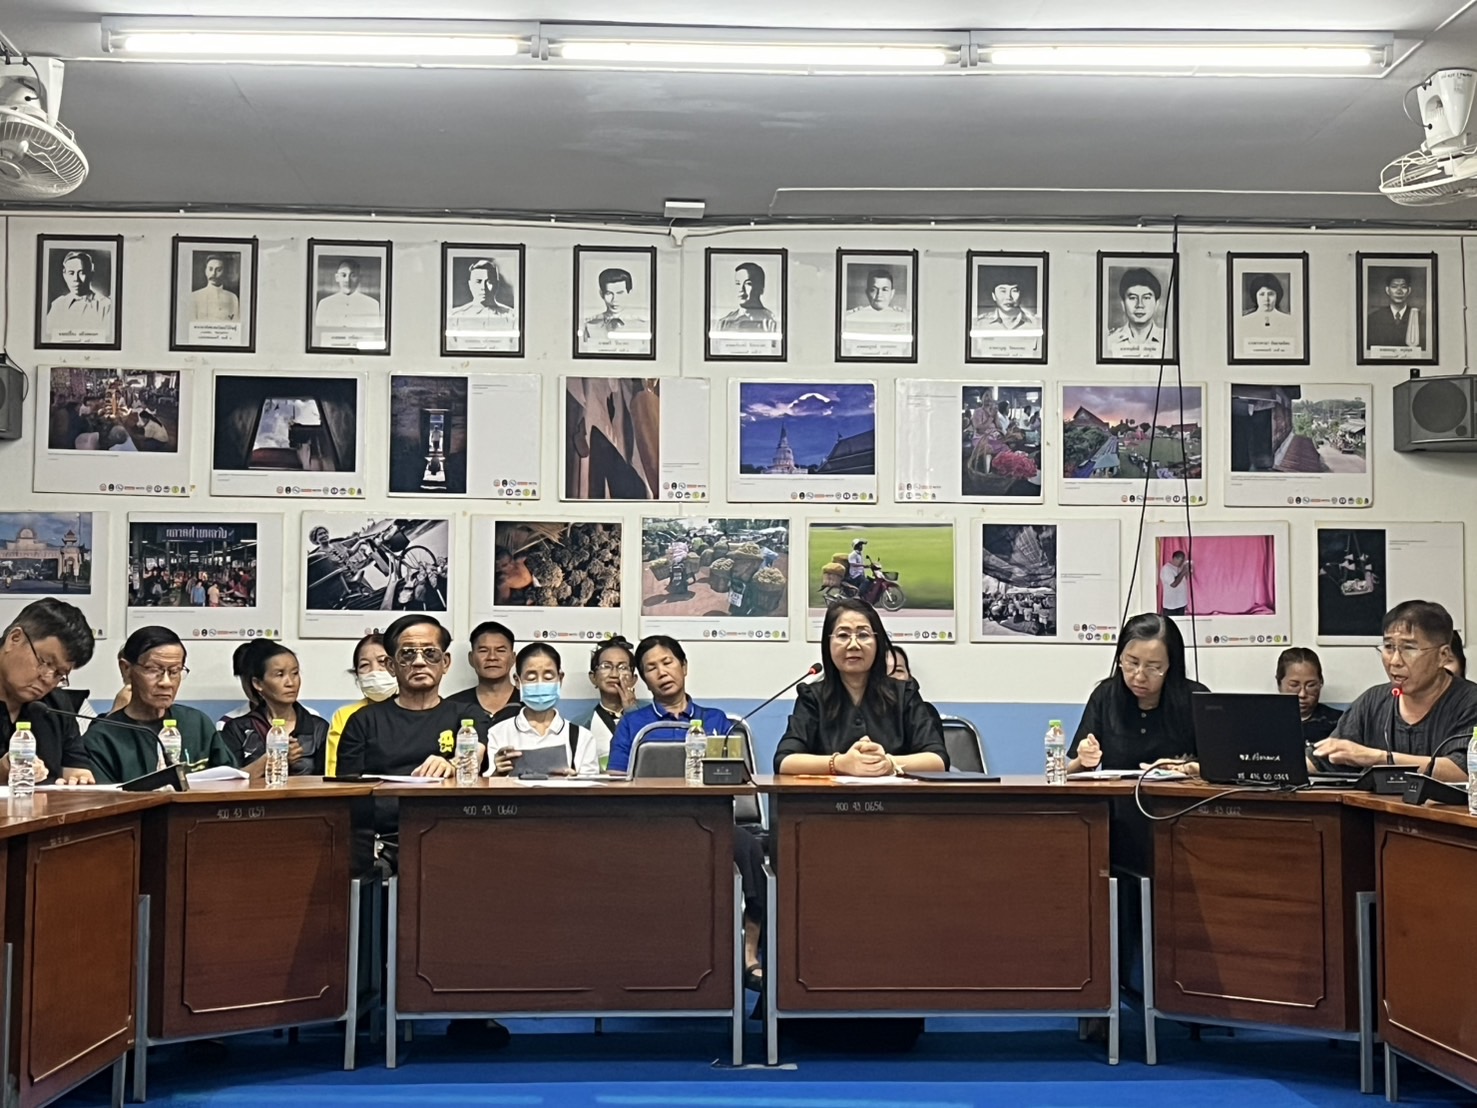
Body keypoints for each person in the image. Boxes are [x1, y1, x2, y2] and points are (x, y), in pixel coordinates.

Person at [1310, 600, 1477, 783]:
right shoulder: (1373, 701)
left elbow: (1465, 770)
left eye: (1409, 648)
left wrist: (1377, 758)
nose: (1395, 661)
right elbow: (1325, 759)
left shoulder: (1470, 702)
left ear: (1442, 655)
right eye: (1389, 647)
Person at [775, 599, 946, 776]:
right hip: (831, 794)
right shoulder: (812, 697)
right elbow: (784, 761)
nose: (853, 645)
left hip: (894, 794)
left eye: (863, 635)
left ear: (878, 642)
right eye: (843, 635)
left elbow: (938, 760)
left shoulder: (905, 694)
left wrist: (889, 763)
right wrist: (839, 763)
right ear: (828, 643)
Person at [336, 614, 492, 781]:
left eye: (430, 653)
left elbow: (475, 755)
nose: (419, 662)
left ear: (445, 663)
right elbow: (348, 786)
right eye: (407, 654)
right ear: (391, 666)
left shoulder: (468, 715)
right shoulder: (363, 721)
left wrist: (452, 765)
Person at [85, 627, 239, 783]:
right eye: (154, 670)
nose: (166, 683)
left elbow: (232, 779)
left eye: (174, 671)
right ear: (126, 669)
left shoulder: (197, 724)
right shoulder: (102, 738)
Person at [1068, 613, 1208, 773]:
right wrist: (1083, 758)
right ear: (1120, 657)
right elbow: (1070, 773)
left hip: (1179, 790)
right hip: (1116, 791)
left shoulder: (1197, 700)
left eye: (1153, 667)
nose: (1140, 676)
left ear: (1171, 665)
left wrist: (1189, 769)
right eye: (1132, 663)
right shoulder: (1106, 695)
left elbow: (1223, 769)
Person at [0, 599, 98, 785]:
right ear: (15, 639)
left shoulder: (56, 706)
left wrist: (79, 782)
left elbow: (75, 767)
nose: (47, 678)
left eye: (59, 674)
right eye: (45, 662)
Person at [487, 644, 599, 777]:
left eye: (548, 677)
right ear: (517, 681)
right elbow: (488, 786)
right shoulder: (498, 733)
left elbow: (591, 786)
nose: (540, 684)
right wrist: (497, 773)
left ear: (560, 678)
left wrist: (573, 782)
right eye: (531, 677)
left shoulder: (582, 737)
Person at [221, 643, 327, 774]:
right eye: (280, 675)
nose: (290, 683)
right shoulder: (237, 729)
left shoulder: (318, 728)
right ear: (258, 684)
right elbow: (229, 780)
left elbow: (327, 779)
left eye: (295, 673)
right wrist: (273, 759)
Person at [571, 636, 645, 770]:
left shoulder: (652, 713)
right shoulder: (580, 725)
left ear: (633, 679)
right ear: (593, 677)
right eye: (606, 666)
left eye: (623, 667)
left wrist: (632, 711)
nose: (614, 674)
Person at [325, 633, 394, 777]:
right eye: (364, 665)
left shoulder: (417, 709)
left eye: (382, 662)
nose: (374, 671)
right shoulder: (345, 715)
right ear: (357, 675)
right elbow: (334, 773)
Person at [447, 621, 520, 719]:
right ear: (471, 658)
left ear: (513, 658)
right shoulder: (453, 706)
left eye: (500, 651)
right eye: (483, 651)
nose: (492, 657)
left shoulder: (528, 704)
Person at [1275, 646, 1342, 745]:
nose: (1302, 694)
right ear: (1279, 683)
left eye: (1311, 685)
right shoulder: (1263, 721)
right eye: (1294, 685)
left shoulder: (1339, 722)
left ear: (1321, 683)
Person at [46, 250, 114, 339]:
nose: (76, 279)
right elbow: (48, 338)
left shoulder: (106, 305)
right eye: (71, 273)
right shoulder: (58, 305)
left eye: (82, 273)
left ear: (91, 274)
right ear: (64, 275)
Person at [1104, 267, 1165, 357]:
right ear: (1123, 304)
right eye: (1133, 298)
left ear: (1157, 304)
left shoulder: (1168, 341)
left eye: (1146, 298)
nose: (1140, 305)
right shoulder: (1109, 342)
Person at [313, 258, 382, 331]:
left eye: (353, 275)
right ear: (337, 277)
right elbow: (318, 332)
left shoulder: (372, 305)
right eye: (343, 275)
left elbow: (373, 333)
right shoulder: (324, 304)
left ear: (359, 278)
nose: (347, 280)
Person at [973, 270, 1040, 341]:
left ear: (1021, 295)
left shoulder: (1036, 323)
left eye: (1014, 291)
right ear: (993, 296)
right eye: (1003, 291)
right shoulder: (980, 323)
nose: (1008, 297)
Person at [582, 267, 644, 343]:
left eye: (620, 293)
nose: (615, 299)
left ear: (629, 293)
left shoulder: (643, 326)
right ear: (601, 294)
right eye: (609, 293)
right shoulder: (589, 326)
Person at [1366, 269, 1425, 348]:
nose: (1399, 291)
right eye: (1394, 287)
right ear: (1387, 290)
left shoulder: (1420, 317)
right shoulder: (1374, 318)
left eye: (1403, 287)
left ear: (1409, 291)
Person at [448, 259, 516, 326]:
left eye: (489, 282)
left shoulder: (512, 316)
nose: (483, 287)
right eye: (478, 282)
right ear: (470, 285)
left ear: (497, 284)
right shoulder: (456, 317)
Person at [717, 262, 779, 332]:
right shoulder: (724, 323)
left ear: (761, 289)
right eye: (737, 283)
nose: (741, 289)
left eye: (748, 283)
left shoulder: (771, 323)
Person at [843, 268, 909, 332]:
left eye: (885, 289)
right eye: (873, 290)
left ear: (892, 293)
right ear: (867, 292)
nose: (879, 294)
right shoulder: (851, 318)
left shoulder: (904, 318)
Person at [1240, 273, 1297, 339]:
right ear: (1255, 296)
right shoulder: (1245, 320)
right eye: (1262, 294)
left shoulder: (1288, 320)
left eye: (1270, 294)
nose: (1266, 299)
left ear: (1277, 296)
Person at [190, 254, 240, 322]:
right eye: (210, 269)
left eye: (218, 270)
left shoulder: (233, 298)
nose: (213, 273)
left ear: (224, 272)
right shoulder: (194, 297)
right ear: (205, 271)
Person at [1159, 551, 1192, 616]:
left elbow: (1182, 580)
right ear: (1174, 558)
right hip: (1171, 605)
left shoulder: (1179, 568)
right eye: (1180, 560)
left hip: (1181, 603)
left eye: (1183, 560)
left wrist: (1187, 572)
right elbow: (1173, 584)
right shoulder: (1166, 569)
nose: (1181, 562)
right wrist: (1183, 571)